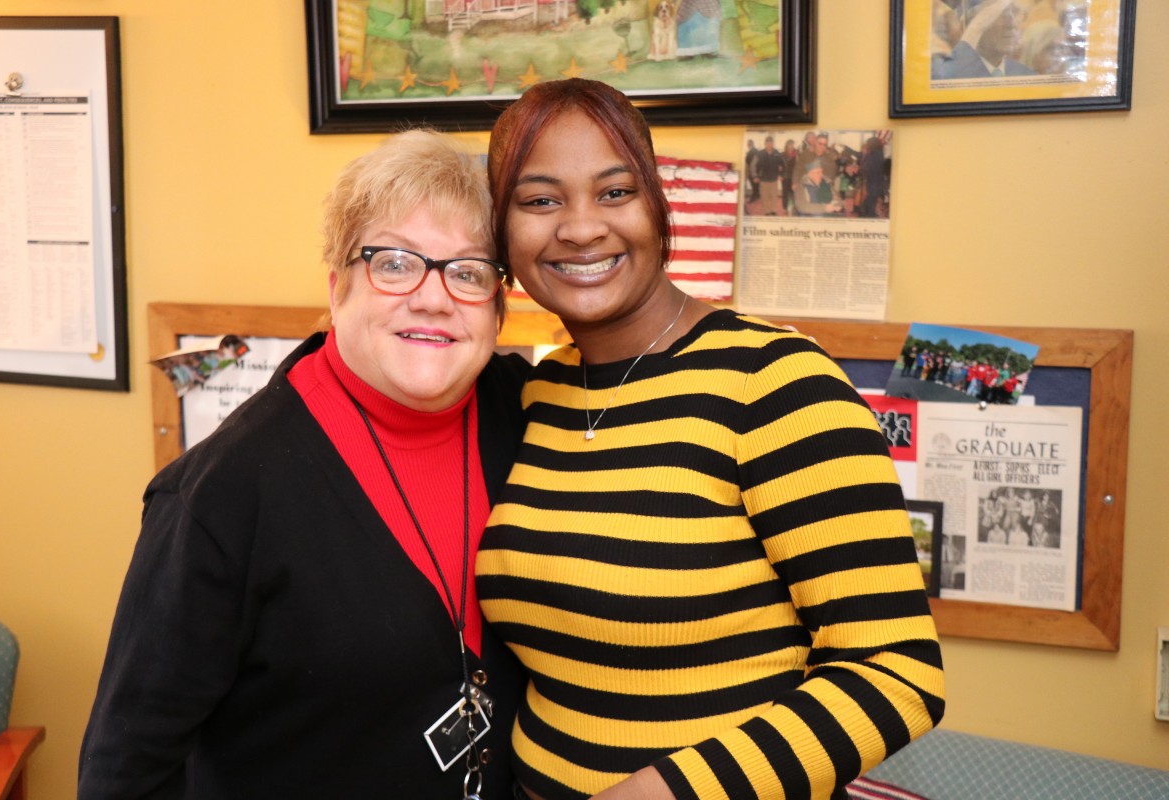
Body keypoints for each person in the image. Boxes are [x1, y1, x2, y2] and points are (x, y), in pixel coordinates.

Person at [480, 78, 944, 800]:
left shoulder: (775, 382)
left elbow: (896, 673)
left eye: (614, 192)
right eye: (540, 200)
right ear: (502, 237)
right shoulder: (539, 394)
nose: (579, 227)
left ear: (658, 209)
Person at [79, 130, 530, 799]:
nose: (434, 298)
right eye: (396, 263)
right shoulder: (219, 497)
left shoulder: (526, 418)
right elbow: (126, 773)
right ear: (336, 285)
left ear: (497, 305)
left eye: (467, 271)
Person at [932, 0, 1036, 79]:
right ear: (973, 23)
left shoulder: (1026, 75)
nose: (1011, 24)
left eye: (1016, 12)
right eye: (999, 13)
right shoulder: (946, 74)